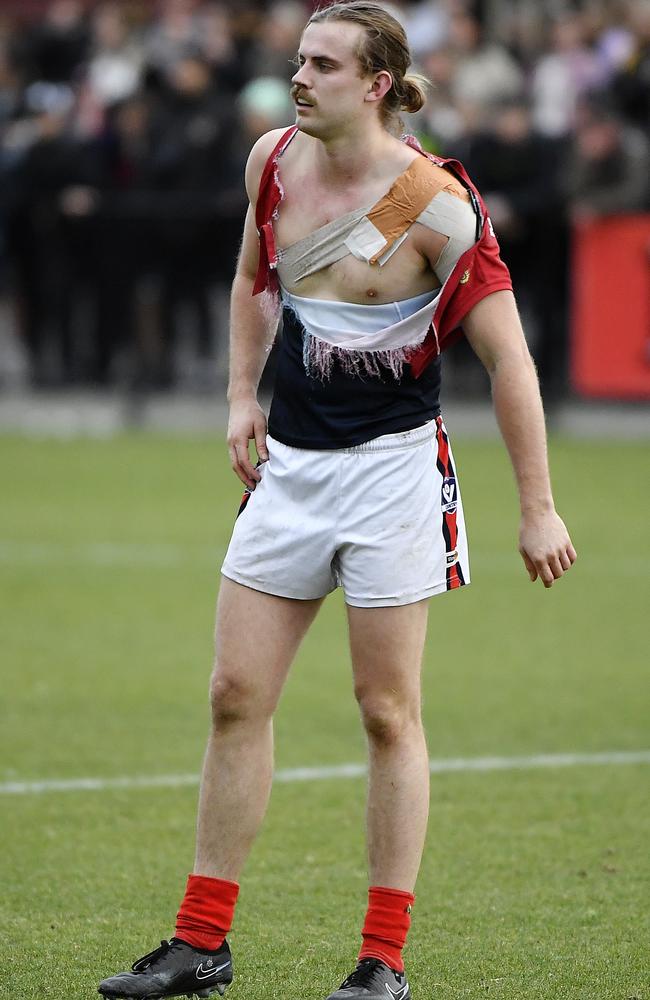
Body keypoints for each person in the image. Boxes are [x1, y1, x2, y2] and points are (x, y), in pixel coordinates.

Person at [98, 4, 576, 999]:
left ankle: (382, 959)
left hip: (394, 476)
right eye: (295, 58)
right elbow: (248, 279)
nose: (295, 77)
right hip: (292, 470)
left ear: (376, 84)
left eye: (319, 63)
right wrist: (240, 395)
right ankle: (199, 943)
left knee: (385, 710)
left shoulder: (436, 205)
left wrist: (536, 504)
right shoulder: (271, 159)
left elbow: (511, 362)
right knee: (234, 695)